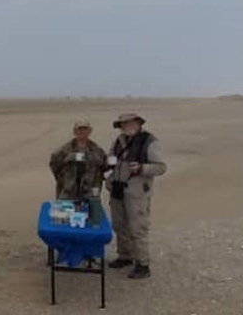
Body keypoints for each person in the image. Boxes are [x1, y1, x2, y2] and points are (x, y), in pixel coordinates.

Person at [106, 113, 167, 279]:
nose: (127, 126)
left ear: (138, 123)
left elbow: (161, 167)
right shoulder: (118, 141)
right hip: (118, 189)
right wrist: (110, 179)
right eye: (123, 124)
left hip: (137, 191)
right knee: (119, 224)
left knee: (137, 228)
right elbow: (112, 163)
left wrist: (141, 168)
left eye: (130, 123)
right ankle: (124, 256)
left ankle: (142, 264)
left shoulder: (150, 141)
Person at [49, 119, 107, 200]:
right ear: (74, 131)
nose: (82, 132)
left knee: (92, 211)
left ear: (90, 131)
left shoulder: (97, 150)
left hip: (90, 194)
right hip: (68, 194)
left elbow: (105, 167)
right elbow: (54, 165)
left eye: (85, 129)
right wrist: (63, 180)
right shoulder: (64, 150)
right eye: (79, 129)